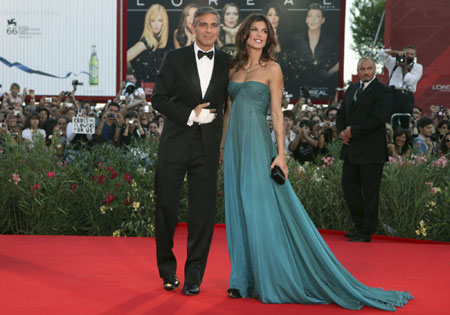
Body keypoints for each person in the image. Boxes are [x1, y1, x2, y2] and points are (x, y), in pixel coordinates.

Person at [221, 14, 412, 310]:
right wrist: (222, 146)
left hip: (258, 144)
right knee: (237, 208)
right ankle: (240, 279)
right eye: (254, 30)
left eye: (264, 31)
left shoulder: (273, 68)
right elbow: (229, 111)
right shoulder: (233, 67)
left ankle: (268, 277)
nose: (259, 35)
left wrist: (281, 155)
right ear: (244, 34)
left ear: (269, 37)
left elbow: (276, 114)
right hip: (234, 145)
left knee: (259, 207)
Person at [151, 6, 229, 296]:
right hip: (175, 142)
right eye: (203, 25)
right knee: (166, 207)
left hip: (207, 147)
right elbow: (158, 99)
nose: (208, 30)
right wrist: (190, 113)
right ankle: (167, 270)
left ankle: (194, 275)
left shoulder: (227, 62)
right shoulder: (174, 58)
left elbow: (233, 101)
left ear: (218, 29)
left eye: (213, 25)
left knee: (203, 212)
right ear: (193, 28)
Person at [337, 57, 392, 243]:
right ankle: (358, 225)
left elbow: (378, 119)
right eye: (362, 69)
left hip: (371, 151)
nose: (366, 72)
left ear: (375, 70)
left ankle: (367, 230)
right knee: (349, 189)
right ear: (358, 70)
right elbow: (341, 114)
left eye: (369, 68)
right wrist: (341, 133)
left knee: (369, 193)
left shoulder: (383, 91)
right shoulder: (352, 89)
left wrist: (352, 131)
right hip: (351, 150)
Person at [296, 3, 339, 98]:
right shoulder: (297, 40)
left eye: (317, 16)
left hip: (324, 89)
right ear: (306, 19)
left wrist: (328, 73)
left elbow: (337, 65)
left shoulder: (330, 43)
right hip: (298, 88)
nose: (313, 20)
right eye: (310, 16)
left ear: (323, 20)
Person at [379, 45, 423, 129]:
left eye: (411, 54)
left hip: (406, 95)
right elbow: (381, 54)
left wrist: (404, 67)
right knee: (391, 119)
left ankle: (406, 139)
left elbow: (409, 81)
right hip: (393, 94)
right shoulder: (393, 62)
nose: (409, 56)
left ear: (415, 56)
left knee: (406, 121)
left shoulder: (418, 67)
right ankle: (390, 138)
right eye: (406, 53)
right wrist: (395, 52)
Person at [127, 4, 169, 83]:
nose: (156, 24)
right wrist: (131, 73)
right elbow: (125, 57)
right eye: (153, 21)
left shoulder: (157, 42)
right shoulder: (146, 42)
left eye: (160, 20)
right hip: (141, 88)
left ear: (164, 23)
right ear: (149, 22)